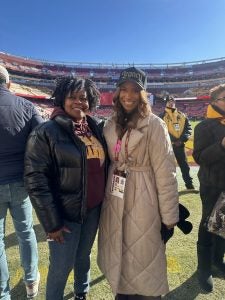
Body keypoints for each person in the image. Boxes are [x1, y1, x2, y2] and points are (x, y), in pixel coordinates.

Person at [97, 67, 179, 299]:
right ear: (117, 93)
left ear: (143, 94)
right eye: (124, 90)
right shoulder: (109, 124)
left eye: (135, 91)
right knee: (118, 252)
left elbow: (166, 173)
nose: (128, 95)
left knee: (144, 255)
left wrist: (170, 217)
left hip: (145, 199)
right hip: (115, 195)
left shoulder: (154, 125)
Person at [24, 76, 107, 300]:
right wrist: (52, 223)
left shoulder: (95, 128)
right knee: (61, 268)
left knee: (83, 256)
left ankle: (82, 292)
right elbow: (35, 180)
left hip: (93, 209)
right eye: (72, 97)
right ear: (62, 99)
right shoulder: (46, 131)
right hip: (65, 216)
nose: (79, 102)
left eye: (84, 98)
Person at [0, 65, 42, 299]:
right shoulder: (26, 106)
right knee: (25, 232)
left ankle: (3, 293)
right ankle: (30, 281)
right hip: (19, 181)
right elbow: (43, 140)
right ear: (8, 83)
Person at [193, 84, 225, 292]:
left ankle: (217, 260)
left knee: (224, 226)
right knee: (208, 224)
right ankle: (203, 268)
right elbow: (200, 157)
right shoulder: (203, 126)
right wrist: (222, 145)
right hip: (212, 185)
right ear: (214, 102)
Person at [160, 96, 195, 190]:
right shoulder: (161, 116)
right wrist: (173, 140)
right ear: (166, 103)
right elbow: (161, 130)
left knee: (184, 166)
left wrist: (182, 139)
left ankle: (189, 185)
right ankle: (168, 187)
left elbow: (188, 128)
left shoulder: (182, 115)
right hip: (167, 146)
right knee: (167, 168)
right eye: (169, 102)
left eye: (172, 101)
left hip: (180, 145)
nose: (171, 103)